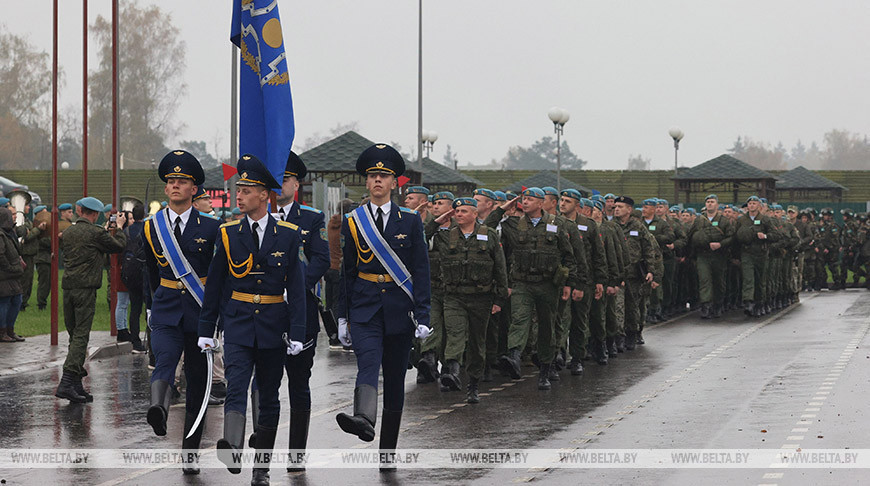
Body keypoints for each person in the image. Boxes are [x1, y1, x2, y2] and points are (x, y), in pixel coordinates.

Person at [198, 154, 307, 485]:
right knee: (236, 386)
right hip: (239, 322)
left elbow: (297, 288)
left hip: (274, 325)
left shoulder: (288, 234)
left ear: (264, 194)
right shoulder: (228, 232)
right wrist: (207, 328)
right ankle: (232, 447)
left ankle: (261, 469)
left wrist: (298, 332)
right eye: (239, 190)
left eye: (246, 190)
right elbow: (215, 285)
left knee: (270, 397)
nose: (239, 196)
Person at [334, 144, 431, 472]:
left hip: (399, 309)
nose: (377, 180)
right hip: (364, 307)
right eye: (372, 176)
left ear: (394, 182)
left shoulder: (411, 221)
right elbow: (345, 273)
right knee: (368, 362)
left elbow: (420, 270)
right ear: (367, 182)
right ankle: (363, 417)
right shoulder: (353, 222)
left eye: (383, 176)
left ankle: (387, 452)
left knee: (393, 380)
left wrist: (424, 314)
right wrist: (342, 316)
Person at [249, 150, 330, 472]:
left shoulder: (311, 218)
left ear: (297, 184)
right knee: (262, 382)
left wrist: (291, 288)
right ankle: (262, 446)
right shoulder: (253, 217)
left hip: (299, 313)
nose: (279, 184)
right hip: (262, 313)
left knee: (298, 382)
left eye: (286, 179)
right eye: (275, 179)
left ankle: (297, 454)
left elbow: (321, 259)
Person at [143, 150, 221, 474]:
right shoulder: (151, 228)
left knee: (199, 385)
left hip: (199, 312)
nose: (175, 186)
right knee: (163, 360)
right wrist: (150, 307)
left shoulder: (213, 227)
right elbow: (150, 271)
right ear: (166, 188)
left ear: (194, 189)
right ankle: (158, 410)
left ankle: (190, 454)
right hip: (165, 310)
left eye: (182, 181)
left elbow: (218, 275)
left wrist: (217, 317)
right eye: (171, 181)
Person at [488, 187, 577, 390]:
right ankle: (514, 356)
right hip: (522, 283)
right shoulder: (513, 224)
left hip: (548, 285)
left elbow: (569, 256)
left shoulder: (556, 224)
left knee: (547, 327)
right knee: (519, 319)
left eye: (530, 199)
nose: (525, 202)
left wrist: (569, 284)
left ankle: (545, 369)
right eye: (523, 199)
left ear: (540, 203)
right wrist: (503, 209)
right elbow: (488, 227)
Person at [431, 197, 507, 403]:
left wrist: (499, 299)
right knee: (455, 333)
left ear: (475, 214)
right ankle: (453, 371)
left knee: (477, 342)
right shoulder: (445, 237)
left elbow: (500, 268)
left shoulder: (489, 235)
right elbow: (421, 238)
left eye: (464, 211)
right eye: (457, 211)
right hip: (454, 296)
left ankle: (473, 384)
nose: (459, 214)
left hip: (481, 298)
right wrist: (437, 221)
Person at [55, 196, 127, 402]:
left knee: (74, 335)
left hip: (68, 287)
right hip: (85, 289)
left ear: (79, 211)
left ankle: (76, 385)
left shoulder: (68, 232)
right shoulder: (95, 233)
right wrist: (119, 227)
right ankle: (67, 381)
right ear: (95, 214)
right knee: (81, 336)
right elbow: (118, 245)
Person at [612, 196, 659, 349]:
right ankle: (618, 336)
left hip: (634, 275)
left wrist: (651, 270)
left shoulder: (638, 227)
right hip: (616, 274)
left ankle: (632, 333)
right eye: (615, 206)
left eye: (620, 206)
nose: (616, 209)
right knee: (617, 306)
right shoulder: (610, 226)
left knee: (632, 306)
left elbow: (648, 249)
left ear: (629, 209)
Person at [686, 195, 733, 319]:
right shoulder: (699, 220)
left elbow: (731, 238)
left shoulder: (724, 221)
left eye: (712, 202)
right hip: (703, 255)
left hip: (719, 255)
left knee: (718, 282)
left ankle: (718, 304)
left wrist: (720, 244)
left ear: (717, 205)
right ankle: (706, 306)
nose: (710, 204)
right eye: (708, 202)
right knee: (704, 280)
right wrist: (691, 255)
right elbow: (690, 237)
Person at [118, 203, 147, 352]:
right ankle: (151, 341)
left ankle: (135, 342)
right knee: (149, 309)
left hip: (129, 273)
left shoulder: (126, 231)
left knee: (134, 309)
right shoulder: (147, 230)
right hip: (144, 273)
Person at [0, 207, 25, 343]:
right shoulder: (1, 234)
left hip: (12, 275)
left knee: (17, 301)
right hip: (4, 276)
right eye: (11, 216)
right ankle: (2, 331)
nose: (13, 218)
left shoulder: (8, 233)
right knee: (4, 302)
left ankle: (10, 330)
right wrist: (9, 267)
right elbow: (0, 255)